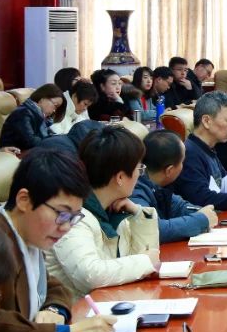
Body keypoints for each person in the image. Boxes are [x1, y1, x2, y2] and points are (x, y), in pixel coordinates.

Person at [0, 149, 117, 332]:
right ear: (24, 200)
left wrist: (54, 310)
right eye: (62, 214)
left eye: (73, 217)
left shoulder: (27, 233)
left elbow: (55, 287)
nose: (66, 227)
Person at [45, 125, 160, 296]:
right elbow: (89, 275)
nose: (139, 175)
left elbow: (148, 260)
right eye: (139, 169)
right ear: (120, 177)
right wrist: (144, 262)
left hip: (112, 302)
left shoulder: (116, 209)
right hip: (77, 309)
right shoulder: (71, 215)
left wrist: (139, 215)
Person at [132, 130, 220, 243]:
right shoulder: (135, 189)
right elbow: (155, 229)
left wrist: (203, 212)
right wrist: (201, 219)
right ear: (169, 170)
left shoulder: (159, 186)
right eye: (182, 162)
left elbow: (179, 206)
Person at [0, 83, 63, 151]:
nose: (54, 110)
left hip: (29, 151)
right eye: (55, 105)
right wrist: (53, 142)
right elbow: (31, 142)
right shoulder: (22, 113)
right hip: (13, 153)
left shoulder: (40, 115)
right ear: (42, 99)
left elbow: (49, 134)